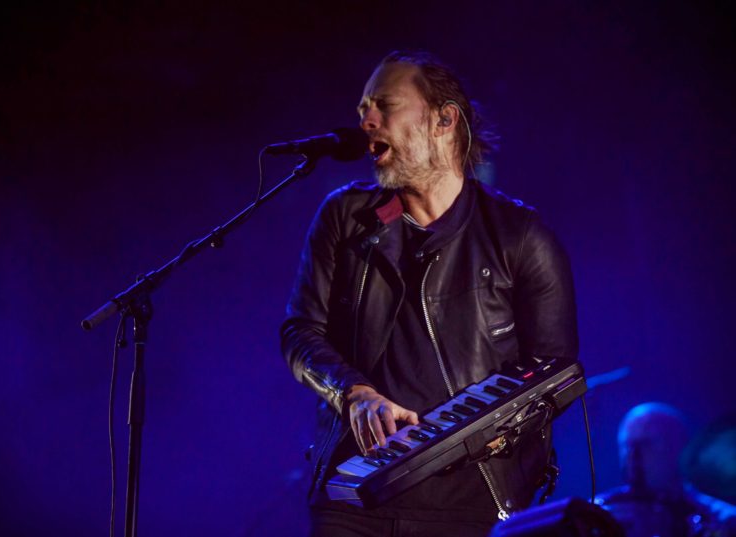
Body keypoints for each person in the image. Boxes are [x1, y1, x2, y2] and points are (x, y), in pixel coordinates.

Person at [281, 50, 579, 536]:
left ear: (444, 120)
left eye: (382, 105)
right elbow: (300, 331)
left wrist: (475, 439)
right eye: (361, 110)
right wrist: (353, 393)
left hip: (471, 499)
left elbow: (556, 373)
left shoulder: (520, 235)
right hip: (354, 494)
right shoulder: (345, 216)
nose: (366, 120)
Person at [595, 402, 735, 536]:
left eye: (645, 444)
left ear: (678, 448)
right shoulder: (598, 512)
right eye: (627, 445)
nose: (632, 455)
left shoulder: (722, 520)